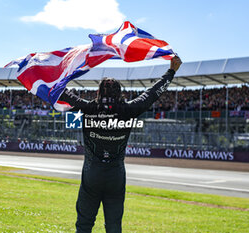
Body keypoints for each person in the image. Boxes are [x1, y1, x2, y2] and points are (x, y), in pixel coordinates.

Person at [59, 56, 182, 233]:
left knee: (84, 224)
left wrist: (53, 78)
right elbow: (152, 93)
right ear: (119, 92)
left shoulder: (88, 108)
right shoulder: (128, 110)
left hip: (92, 173)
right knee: (114, 226)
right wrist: (171, 72)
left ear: (99, 92)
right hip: (116, 175)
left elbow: (63, 92)